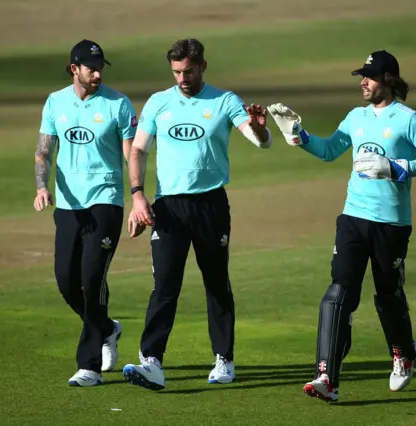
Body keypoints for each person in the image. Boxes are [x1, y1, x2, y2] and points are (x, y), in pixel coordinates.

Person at [267, 50, 416, 402]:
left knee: (387, 295)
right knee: (339, 293)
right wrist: (299, 136)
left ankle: (403, 353)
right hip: (352, 217)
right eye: (362, 76)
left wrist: (397, 168)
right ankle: (327, 378)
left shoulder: (408, 118)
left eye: (370, 76)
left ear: (389, 81)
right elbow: (331, 150)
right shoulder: (356, 117)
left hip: (391, 223)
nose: (363, 82)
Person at [120, 38, 273, 391]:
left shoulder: (224, 101)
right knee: (164, 285)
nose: (182, 78)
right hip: (168, 207)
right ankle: (152, 362)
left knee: (216, 282)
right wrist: (138, 196)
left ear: (203, 65)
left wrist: (261, 128)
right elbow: (139, 149)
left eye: (188, 71)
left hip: (210, 205)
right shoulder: (159, 103)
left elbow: (258, 141)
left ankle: (224, 359)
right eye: (176, 72)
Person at [33, 39, 139, 387]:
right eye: (90, 67)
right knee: (66, 280)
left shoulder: (118, 104)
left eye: (100, 67)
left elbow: (131, 153)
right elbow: (44, 151)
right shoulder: (55, 102)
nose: (97, 73)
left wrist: (139, 195)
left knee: (92, 278)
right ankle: (107, 328)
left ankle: (89, 365)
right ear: (73, 69)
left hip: (105, 200)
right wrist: (42, 186)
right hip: (67, 204)